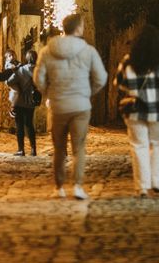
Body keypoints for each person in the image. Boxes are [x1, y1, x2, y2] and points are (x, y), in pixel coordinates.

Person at [34, 11, 107, 200]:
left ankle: (59, 187)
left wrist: (49, 92)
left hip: (58, 105)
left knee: (59, 149)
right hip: (81, 106)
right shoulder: (88, 51)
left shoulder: (47, 51)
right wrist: (88, 93)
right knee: (79, 148)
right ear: (79, 28)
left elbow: (38, 78)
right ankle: (78, 187)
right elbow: (101, 77)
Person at [115, 25, 159, 196]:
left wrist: (133, 90)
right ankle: (156, 179)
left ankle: (142, 186)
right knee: (158, 144)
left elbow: (119, 84)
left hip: (135, 110)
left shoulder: (128, 62)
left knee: (139, 146)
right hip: (158, 111)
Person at [6, 49, 40, 157]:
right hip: (31, 101)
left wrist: (16, 86)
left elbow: (9, 81)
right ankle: (33, 149)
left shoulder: (21, 70)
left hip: (20, 101)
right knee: (29, 124)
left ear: (27, 58)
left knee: (19, 125)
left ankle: (21, 150)